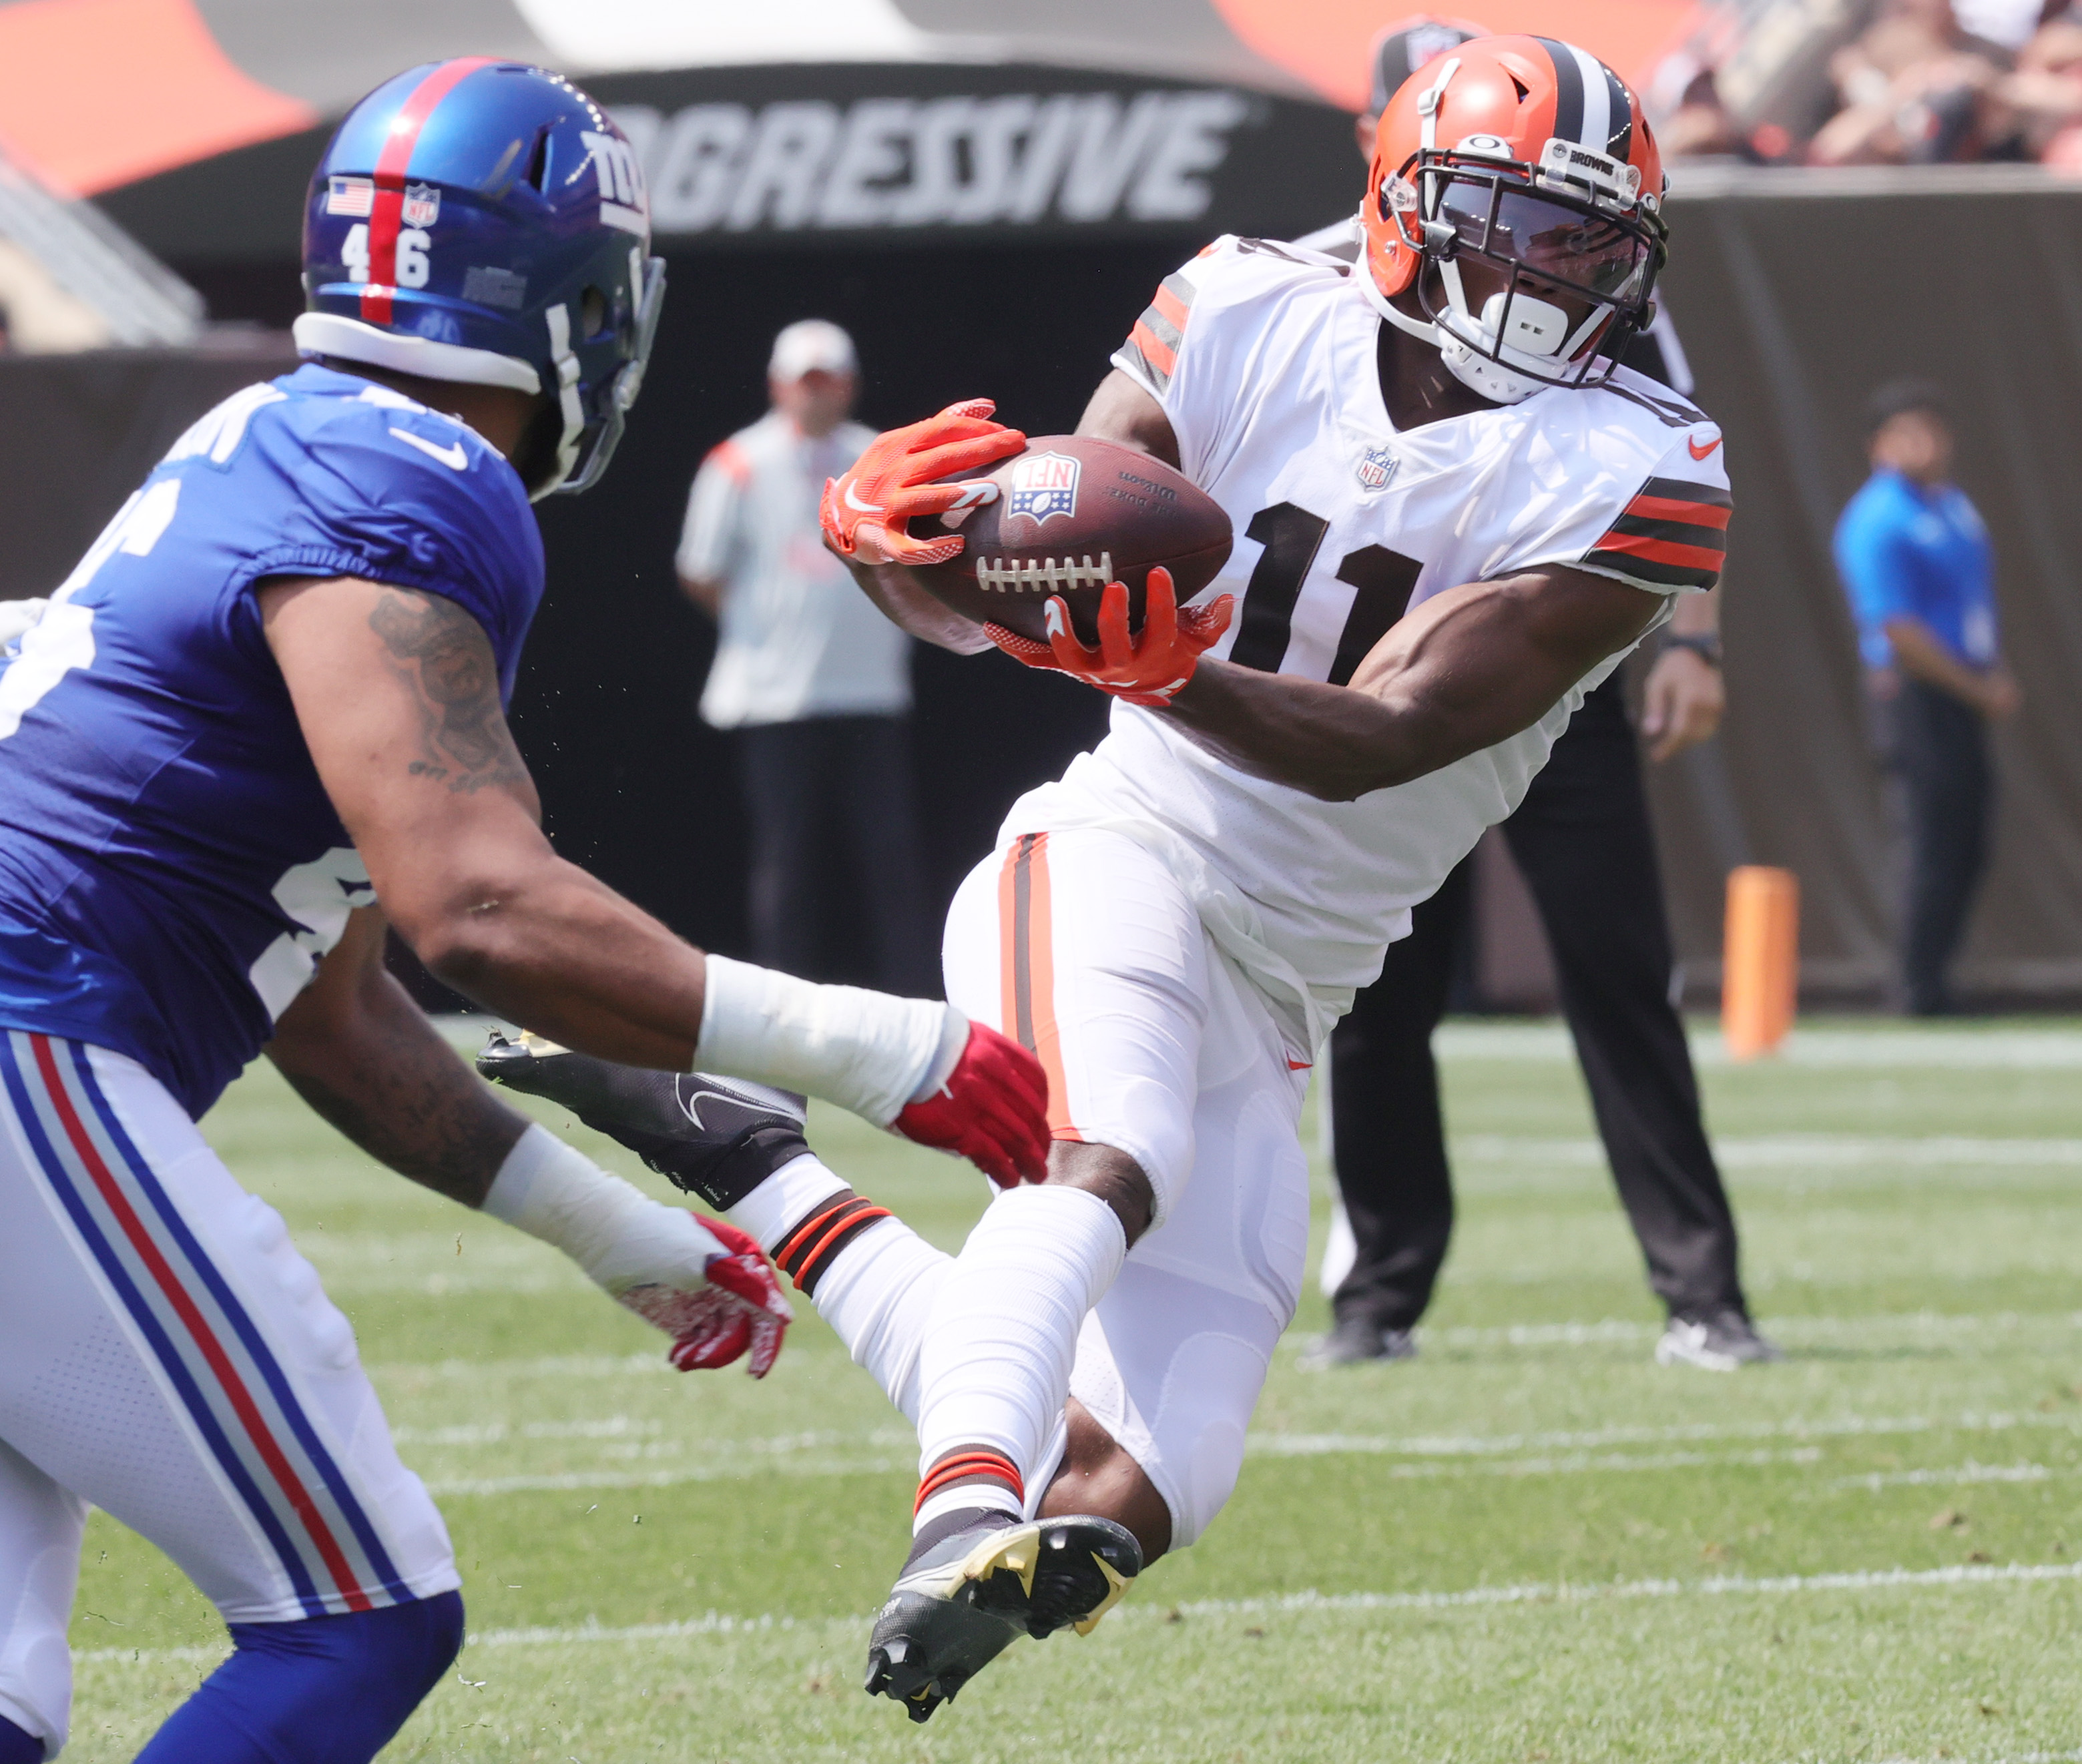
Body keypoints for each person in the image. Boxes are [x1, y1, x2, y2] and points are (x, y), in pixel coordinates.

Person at [514, 33, 1730, 1724]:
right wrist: (900, 552)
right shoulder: (1241, 306)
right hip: (1116, 855)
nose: (1544, 270)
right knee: (1110, 1158)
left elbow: (1397, 729)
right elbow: (1013, 585)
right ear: (1397, 204)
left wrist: (1171, 670)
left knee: (1158, 1466)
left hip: (1293, 971)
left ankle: (745, 1153)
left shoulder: (1644, 464)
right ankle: (950, 1512)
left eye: (1582, 238)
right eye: (1506, 220)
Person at [0, 61, 1047, 1764]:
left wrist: (600, 1225)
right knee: (354, 1618)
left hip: (41, 1041)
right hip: (28, 1041)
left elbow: (329, 1000)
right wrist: (882, 1046)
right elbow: (474, 903)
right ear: (557, 297)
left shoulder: (272, 432)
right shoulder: (407, 474)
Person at [1291, 16, 1771, 1376]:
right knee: (1378, 994)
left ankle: (1700, 1291)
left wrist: (1690, 643)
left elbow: (1684, 471)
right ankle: (1378, 1292)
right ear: (1378, 140)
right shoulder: (1293, 289)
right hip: (1374, 681)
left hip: (1550, 676)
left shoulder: (1585, 261)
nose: (1519, 218)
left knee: (1618, 974)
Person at [678, 322, 935, 992]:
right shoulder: (736, 462)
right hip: (774, 700)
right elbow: (699, 570)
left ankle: (913, 999)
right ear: (779, 386)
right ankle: (782, 1006)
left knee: (890, 858)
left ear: (849, 386)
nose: (817, 397)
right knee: (786, 861)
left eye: (829, 383)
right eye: (806, 384)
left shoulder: (881, 462)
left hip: (870, 695)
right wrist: (759, 625)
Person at [1834, 380, 2017, 1014]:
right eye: (1907, 432)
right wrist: (1976, 684)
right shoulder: (1879, 517)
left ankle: (1939, 977)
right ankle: (1914, 987)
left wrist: (1988, 672)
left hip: (1964, 690)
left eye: (1933, 428)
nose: (1925, 443)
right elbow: (1897, 629)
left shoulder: (1952, 506)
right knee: (1929, 839)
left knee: (1968, 838)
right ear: (1877, 447)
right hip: (1914, 695)